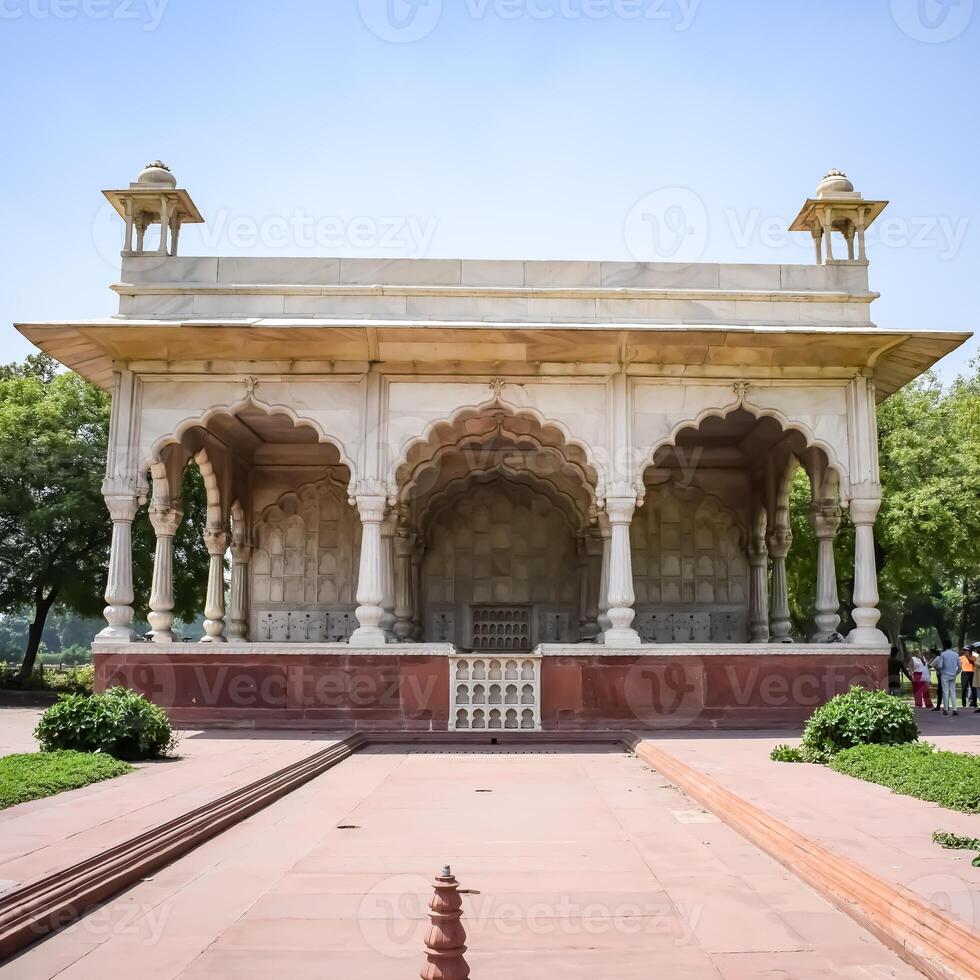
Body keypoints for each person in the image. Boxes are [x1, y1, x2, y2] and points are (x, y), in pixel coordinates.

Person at [931, 646, 961, 717]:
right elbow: (959, 666)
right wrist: (956, 673)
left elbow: (940, 666)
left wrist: (938, 669)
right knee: (953, 692)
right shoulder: (956, 654)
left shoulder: (943, 654)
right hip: (953, 675)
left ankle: (946, 709)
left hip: (945, 675)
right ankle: (954, 709)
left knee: (945, 692)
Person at [928, 647, 943, 712]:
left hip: (940, 675)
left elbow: (929, 665)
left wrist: (931, 659)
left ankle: (938, 706)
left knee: (940, 691)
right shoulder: (939, 658)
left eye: (930, 654)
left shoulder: (936, 659)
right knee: (942, 691)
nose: (930, 655)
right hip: (940, 675)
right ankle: (941, 706)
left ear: (934, 653)